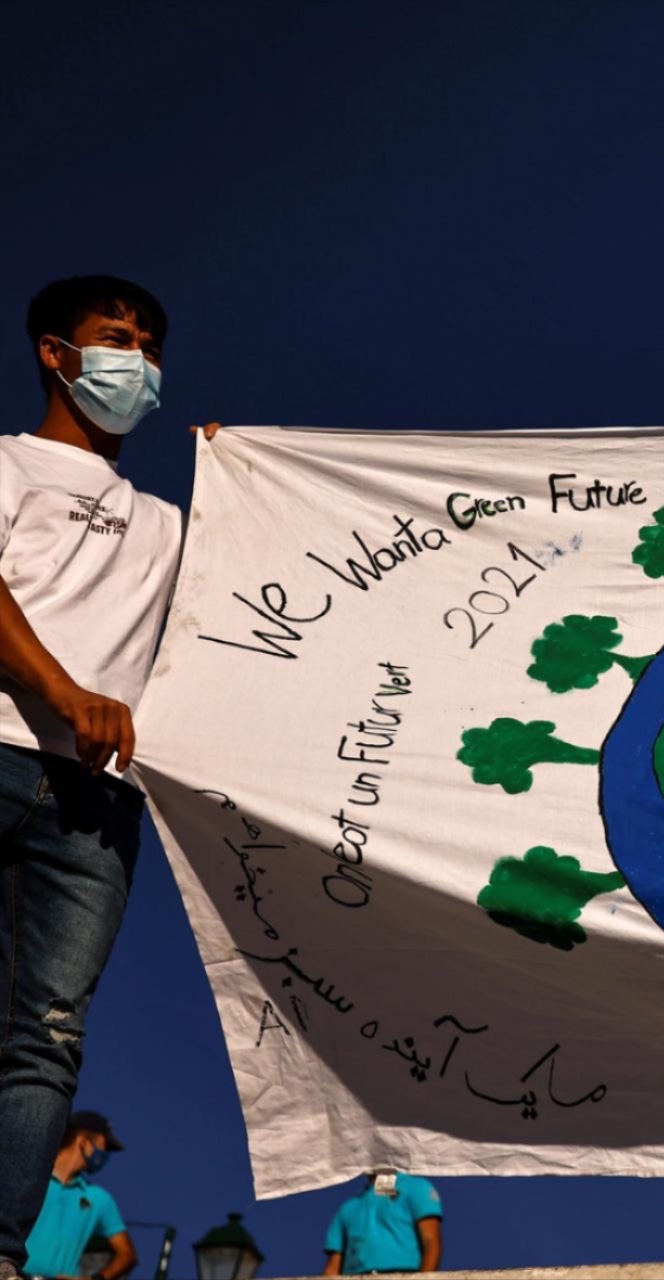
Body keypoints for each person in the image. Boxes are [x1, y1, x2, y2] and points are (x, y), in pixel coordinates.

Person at [0, 278, 217, 1280]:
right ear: (57, 353)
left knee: (46, 1033)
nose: (138, 361)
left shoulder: (171, 525)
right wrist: (63, 689)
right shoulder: (8, 466)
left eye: (150, 346)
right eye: (115, 339)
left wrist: (251, 488)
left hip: (96, 805)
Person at [20, 1111, 137, 1280]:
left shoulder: (99, 1199)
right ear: (83, 1141)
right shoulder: (29, 1174)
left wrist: (93, 1279)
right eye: (104, 1146)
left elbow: (127, 1255)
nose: (105, 1155)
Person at [321, 1170, 443, 1275]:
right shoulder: (348, 1208)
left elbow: (431, 1241)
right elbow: (333, 1266)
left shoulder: (417, 1188)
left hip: (404, 1274)